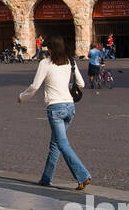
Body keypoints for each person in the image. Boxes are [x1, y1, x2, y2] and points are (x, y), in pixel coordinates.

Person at [17, 36, 91, 190]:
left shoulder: (45, 63)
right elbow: (82, 84)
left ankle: (83, 175)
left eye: (47, 48)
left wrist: (22, 97)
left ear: (51, 49)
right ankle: (46, 178)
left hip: (55, 108)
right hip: (70, 106)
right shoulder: (71, 61)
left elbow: (35, 86)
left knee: (62, 144)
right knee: (56, 144)